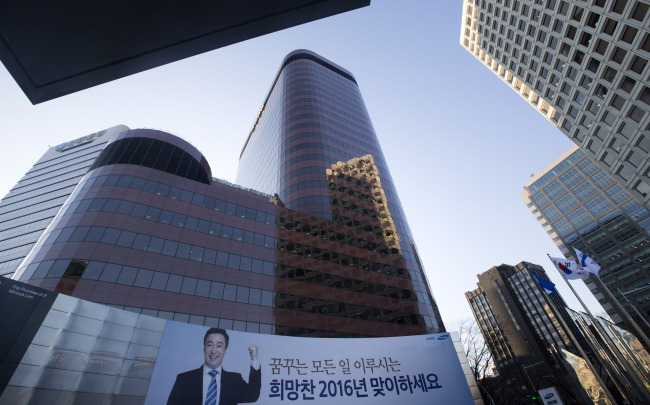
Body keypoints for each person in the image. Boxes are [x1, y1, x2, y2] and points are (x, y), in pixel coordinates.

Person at [167, 328, 261, 405]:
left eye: (219, 346)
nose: (213, 350)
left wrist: (254, 359)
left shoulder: (234, 379)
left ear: (225, 351)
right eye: (209, 345)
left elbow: (252, 396)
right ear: (204, 348)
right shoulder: (184, 379)